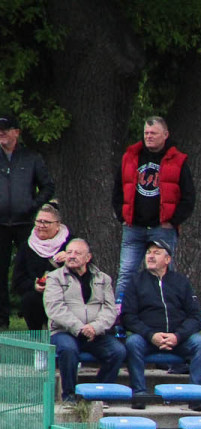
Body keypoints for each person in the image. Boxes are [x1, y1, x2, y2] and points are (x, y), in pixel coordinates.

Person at [121, 240, 201, 411]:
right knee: (133, 343)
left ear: (167, 259)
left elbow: (195, 316)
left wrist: (178, 336)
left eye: (156, 252)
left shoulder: (180, 282)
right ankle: (139, 394)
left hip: (179, 339)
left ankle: (196, 397)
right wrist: (150, 335)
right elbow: (128, 317)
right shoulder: (136, 282)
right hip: (148, 338)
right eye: (148, 252)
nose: (150, 256)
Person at [112, 116, 195, 299]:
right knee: (126, 273)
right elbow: (117, 190)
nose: (148, 136)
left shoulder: (177, 161)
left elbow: (189, 197)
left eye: (153, 133)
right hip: (133, 228)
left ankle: (165, 315)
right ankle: (120, 318)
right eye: (146, 133)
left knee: (164, 274)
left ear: (165, 135)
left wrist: (172, 221)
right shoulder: (130, 157)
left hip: (162, 230)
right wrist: (123, 216)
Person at [43, 238, 124, 402]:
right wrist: (80, 328)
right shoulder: (55, 278)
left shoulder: (103, 279)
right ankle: (69, 395)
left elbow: (110, 309)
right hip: (64, 331)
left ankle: (100, 395)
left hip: (96, 333)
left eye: (77, 253)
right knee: (68, 350)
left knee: (118, 351)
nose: (72, 256)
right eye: (69, 252)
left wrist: (95, 328)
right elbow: (55, 309)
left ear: (88, 258)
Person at [0, 112, 55, 328]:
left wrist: (33, 206)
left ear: (16, 132)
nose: (2, 133)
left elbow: (48, 186)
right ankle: (2, 318)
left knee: (30, 269)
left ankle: (31, 314)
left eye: (6, 129)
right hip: (0, 224)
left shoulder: (31, 158)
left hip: (25, 224)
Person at [11, 203, 68, 331]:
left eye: (47, 222)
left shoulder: (69, 244)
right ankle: (37, 340)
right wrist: (34, 286)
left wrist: (69, 258)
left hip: (64, 293)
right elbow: (17, 280)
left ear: (57, 225)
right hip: (37, 295)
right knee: (29, 300)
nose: (41, 226)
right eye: (39, 221)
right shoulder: (27, 246)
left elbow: (84, 270)